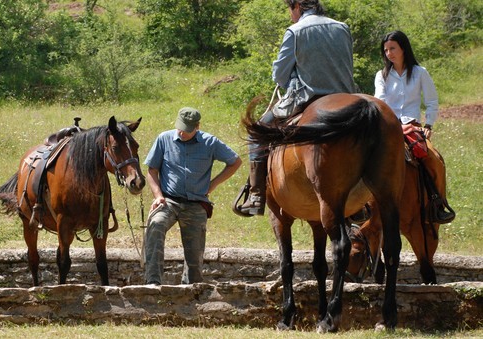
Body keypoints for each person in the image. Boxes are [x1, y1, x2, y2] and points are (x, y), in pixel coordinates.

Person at [234, 0, 358, 217]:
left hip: (306, 99)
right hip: (345, 100)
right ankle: (361, 204)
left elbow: (279, 75)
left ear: (297, 6)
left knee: (259, 131)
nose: (290, 15)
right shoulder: (342, 27)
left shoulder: (295, 31)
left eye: (290, 10)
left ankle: (256, 196)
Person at [143, 107, 242, 285]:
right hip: (169, 200)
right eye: (180, 127)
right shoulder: (164, 139)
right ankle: (153, 282)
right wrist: (157, 195)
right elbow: (152, 170)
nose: (181, 132)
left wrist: (213, 184)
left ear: (197, 126)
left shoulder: (210, 142)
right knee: (155, 224)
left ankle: (190, 289)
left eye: (187, 129)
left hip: (196, 203)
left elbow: (235, 162)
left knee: (195, 253)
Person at [374, 30, 454, 222]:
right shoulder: (381, 75)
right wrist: (390, 124)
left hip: (413, 126)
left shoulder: (420, 73)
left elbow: (432, 101)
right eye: (386, 50)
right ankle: (359, 206)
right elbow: (380, 101)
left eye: (392, 48)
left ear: (403, 48)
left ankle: (437, 202)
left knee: (431, 158)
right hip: (388, 126)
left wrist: (429, 124)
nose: (389, 53)